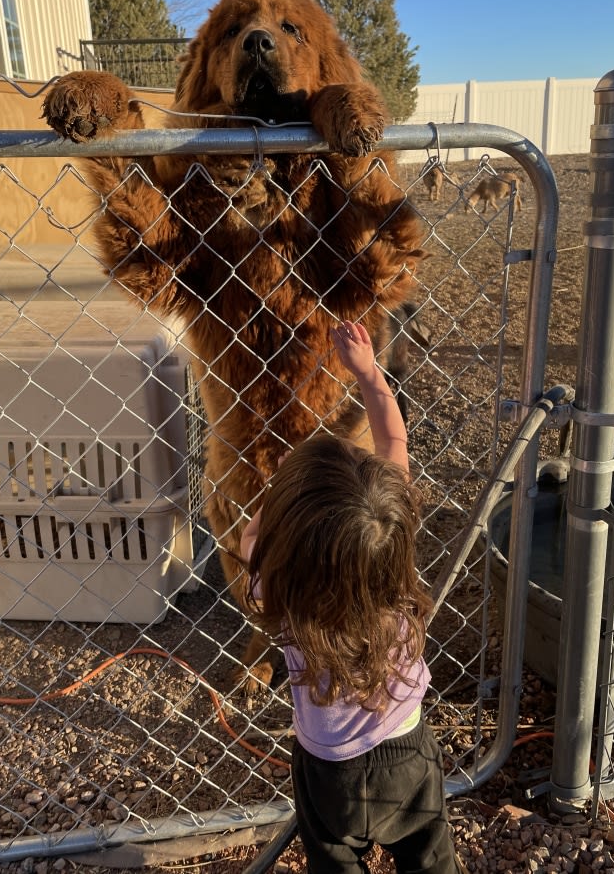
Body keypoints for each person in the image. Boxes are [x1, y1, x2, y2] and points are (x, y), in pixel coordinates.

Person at [241, 320, 459, 874]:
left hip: (328, 770)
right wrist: (367, 372)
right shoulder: (395, 565)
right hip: (407, 754)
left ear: (281, 544)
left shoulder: (281, 596)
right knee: (428, 851)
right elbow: (394, 441)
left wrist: (276, 506)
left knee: (332, 858)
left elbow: (249, 541)